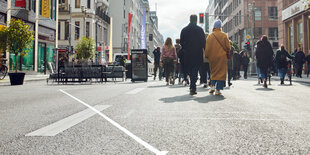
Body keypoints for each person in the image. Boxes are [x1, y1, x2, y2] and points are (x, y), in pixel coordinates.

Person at [180, 15, 206, 95]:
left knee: (190, 70)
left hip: (187, 54)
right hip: (197, 53)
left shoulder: (184, 30)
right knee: (195, 70)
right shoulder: (200, 30)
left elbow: (181, 42)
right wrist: (204, 50)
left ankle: (192, 85)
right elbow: (203, 42)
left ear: (189, 19)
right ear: (196, 20)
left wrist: (186, 47)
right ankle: (192, 87)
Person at [205, 20, 230, 95]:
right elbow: (228, 47)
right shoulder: (224, 35)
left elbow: (207, 48)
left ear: (214, 27)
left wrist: (207, 55)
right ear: (220, 27)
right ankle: (218, 90)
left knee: (213, 72)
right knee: (221, 73)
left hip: (212, 57)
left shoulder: (210, 36)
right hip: (222, 57)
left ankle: (212, 86)